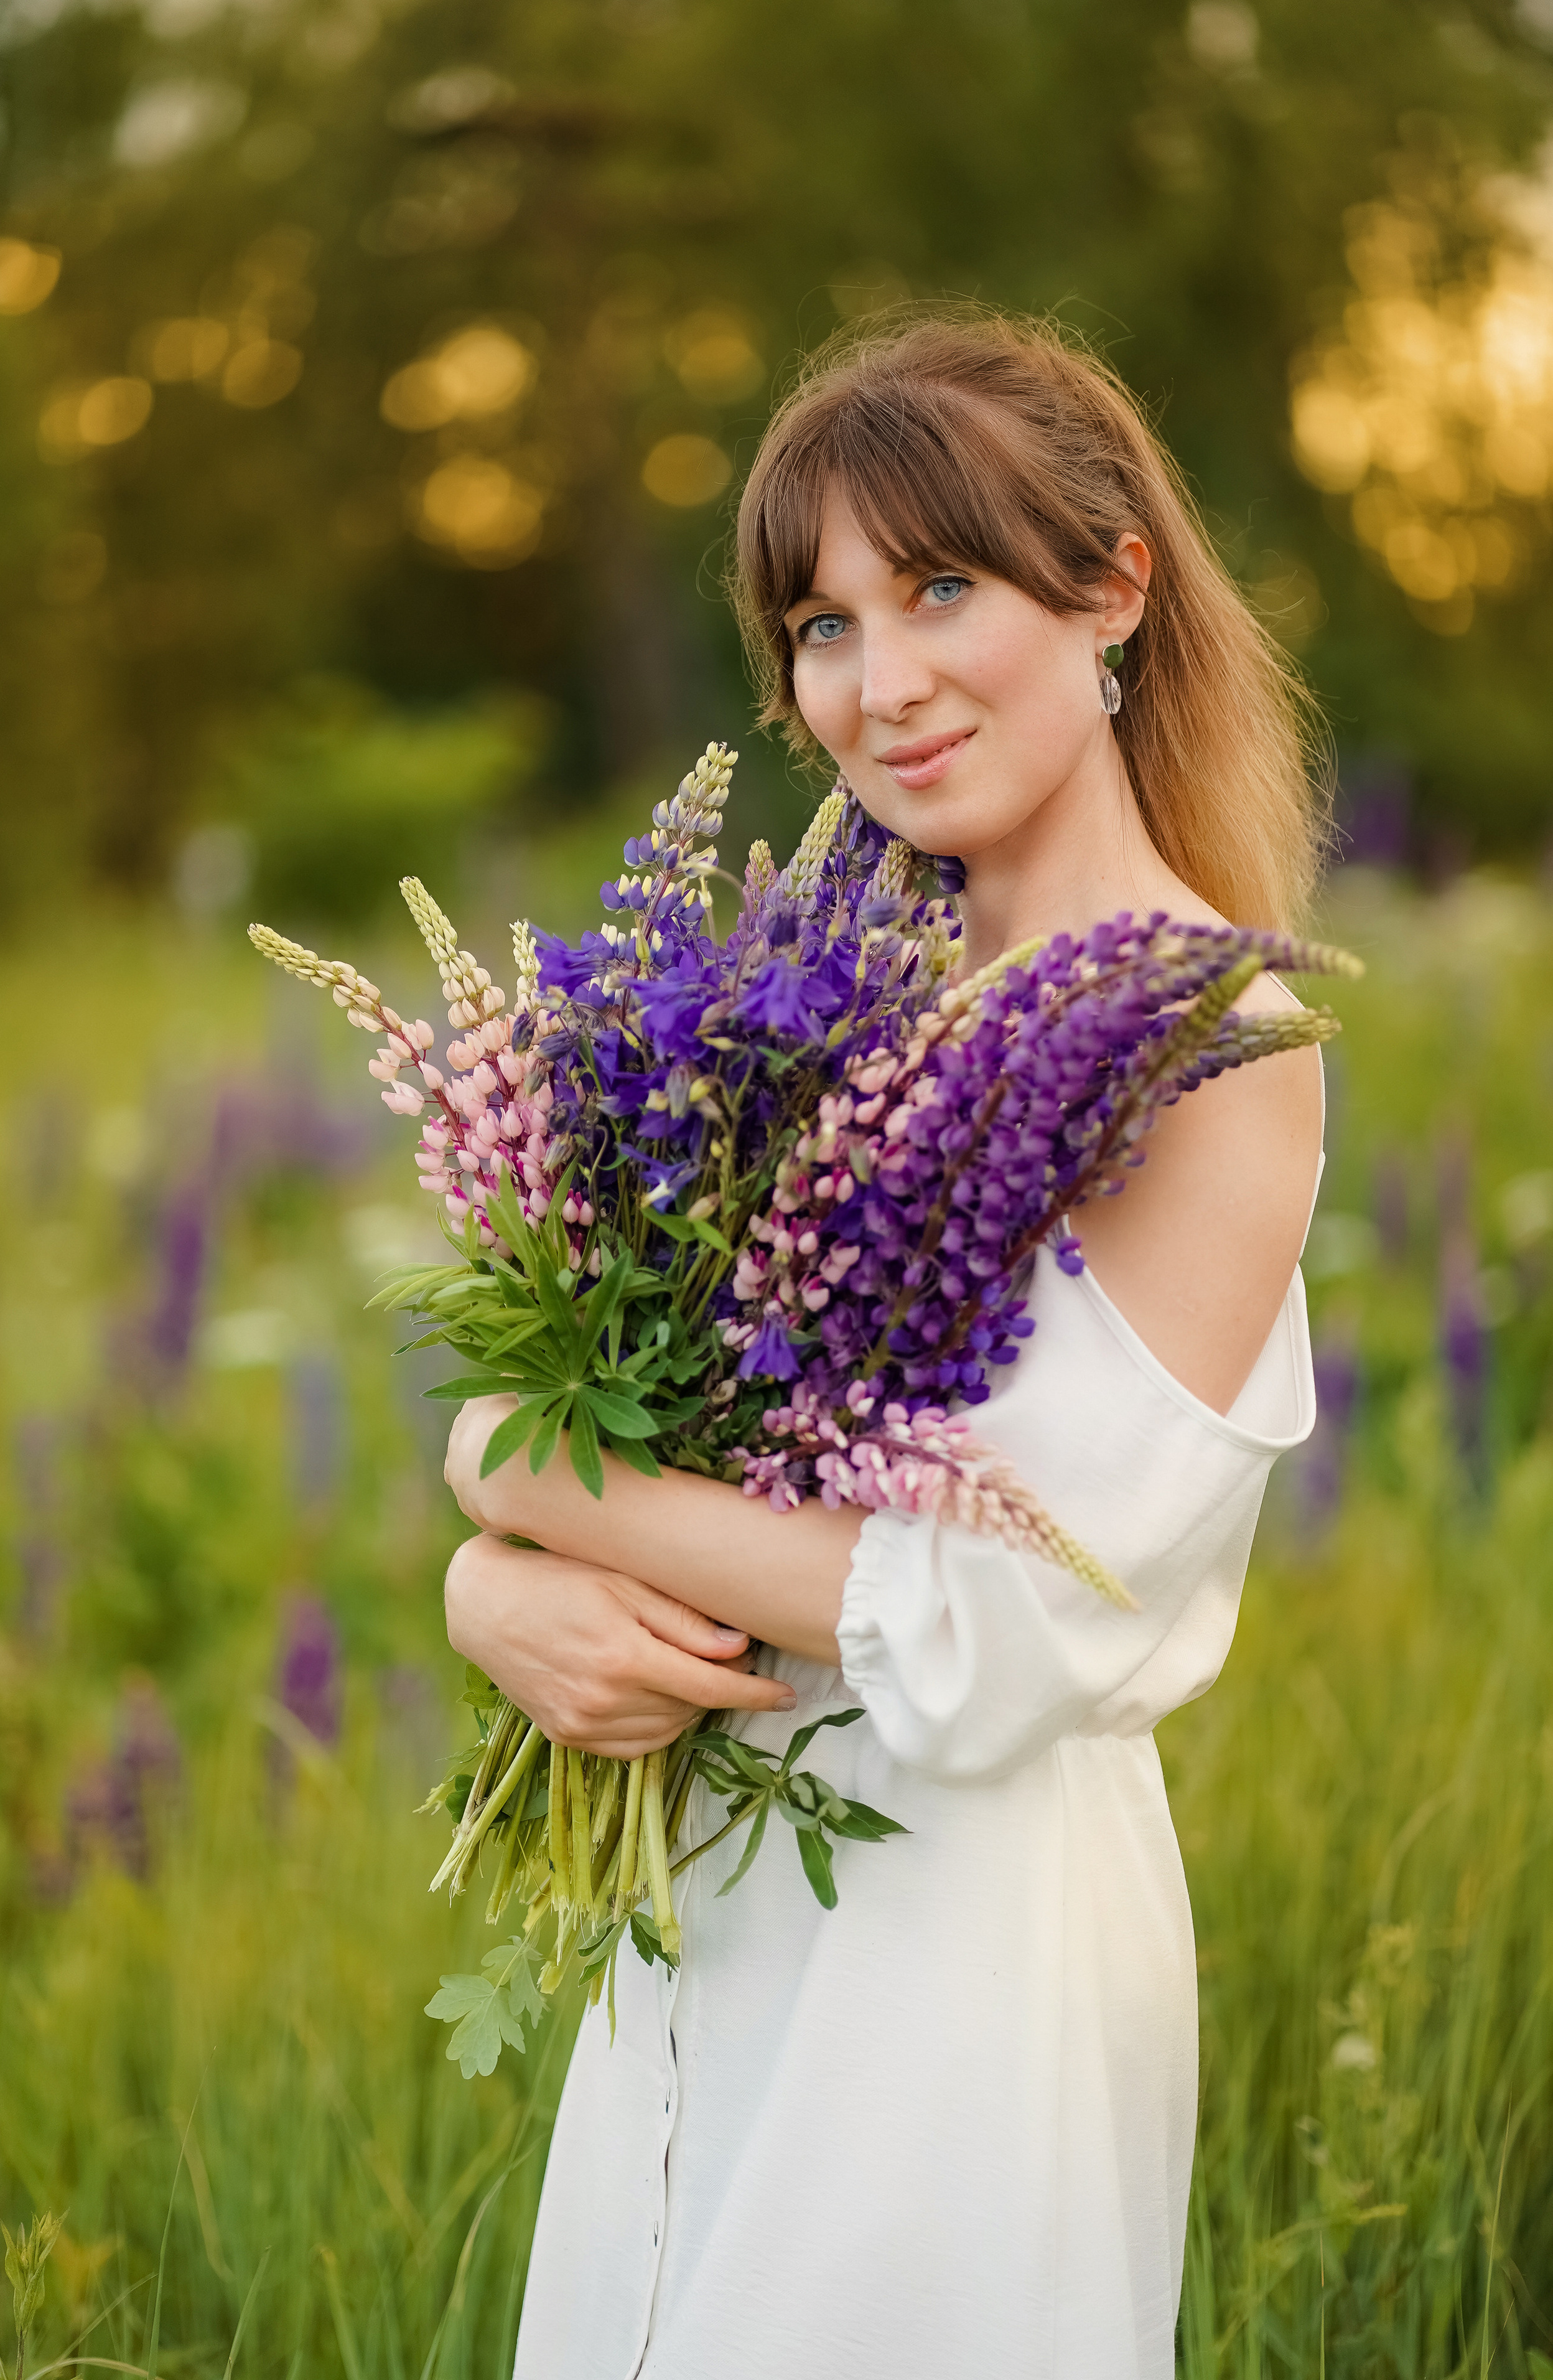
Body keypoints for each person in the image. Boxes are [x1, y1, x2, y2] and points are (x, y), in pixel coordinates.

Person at [442, 310, 1329, 2379]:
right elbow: (665, 1420)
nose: (882, 679)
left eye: (941, 585)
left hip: (960, 1960)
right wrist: (506, 1581)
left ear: (1113, 586)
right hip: (705, 1902)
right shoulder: (795, 1010)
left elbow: (1006, 1621)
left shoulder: (1212, 1045)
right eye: (823, 623)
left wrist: (520, 1476)